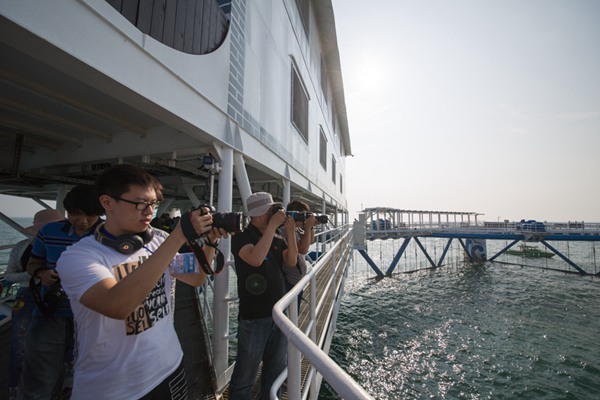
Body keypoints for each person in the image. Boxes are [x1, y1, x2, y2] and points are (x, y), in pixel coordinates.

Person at [56, 164, 227, 399]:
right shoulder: (78, 257)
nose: (149, 212)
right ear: (107, 202)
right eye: (140, 204)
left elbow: (196, 277)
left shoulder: (158, 241)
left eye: (154, 204)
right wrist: (179, 236)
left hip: (170, 366)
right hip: (114, 388)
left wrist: (210, 241)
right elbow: (117, 306)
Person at [18, 185, 104, 400]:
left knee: (93, 377)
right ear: (67, 211)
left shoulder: (111, 235)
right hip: (51, 313)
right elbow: (33, 263)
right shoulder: (49, 232)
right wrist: (43, 274)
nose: (82, 221)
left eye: (90, 215)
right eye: (75, 214)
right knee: (39, 375)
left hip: (94, 317)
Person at [228, 192, 298, 400]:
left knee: (274, 371)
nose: (274, 214)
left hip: (278, 314)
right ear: (257, 215)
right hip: (254, 317)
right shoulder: (241, 237)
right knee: (245, 375)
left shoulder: (275, 237)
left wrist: (290, 233)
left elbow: (292, 261)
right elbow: (256, 258)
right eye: (270, 211)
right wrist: (272, 227)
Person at [5, 209, 64, 400]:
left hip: (59, 298)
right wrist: (34, 274)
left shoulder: (68, 246)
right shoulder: (21, 247)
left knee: (58, 347)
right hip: (28, 297)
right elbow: (9, 275)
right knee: (20, 347)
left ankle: (55, 392)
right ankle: (16, 391)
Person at [281, 200, 316, 299]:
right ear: (296, 215)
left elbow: (310, 241)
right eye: (304, 215)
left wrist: (310, 227)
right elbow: (303, 250)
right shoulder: (286, 230)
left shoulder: (296, 229)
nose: (306, 218)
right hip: (289, 282)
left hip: (296, 280)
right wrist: (308, 227)